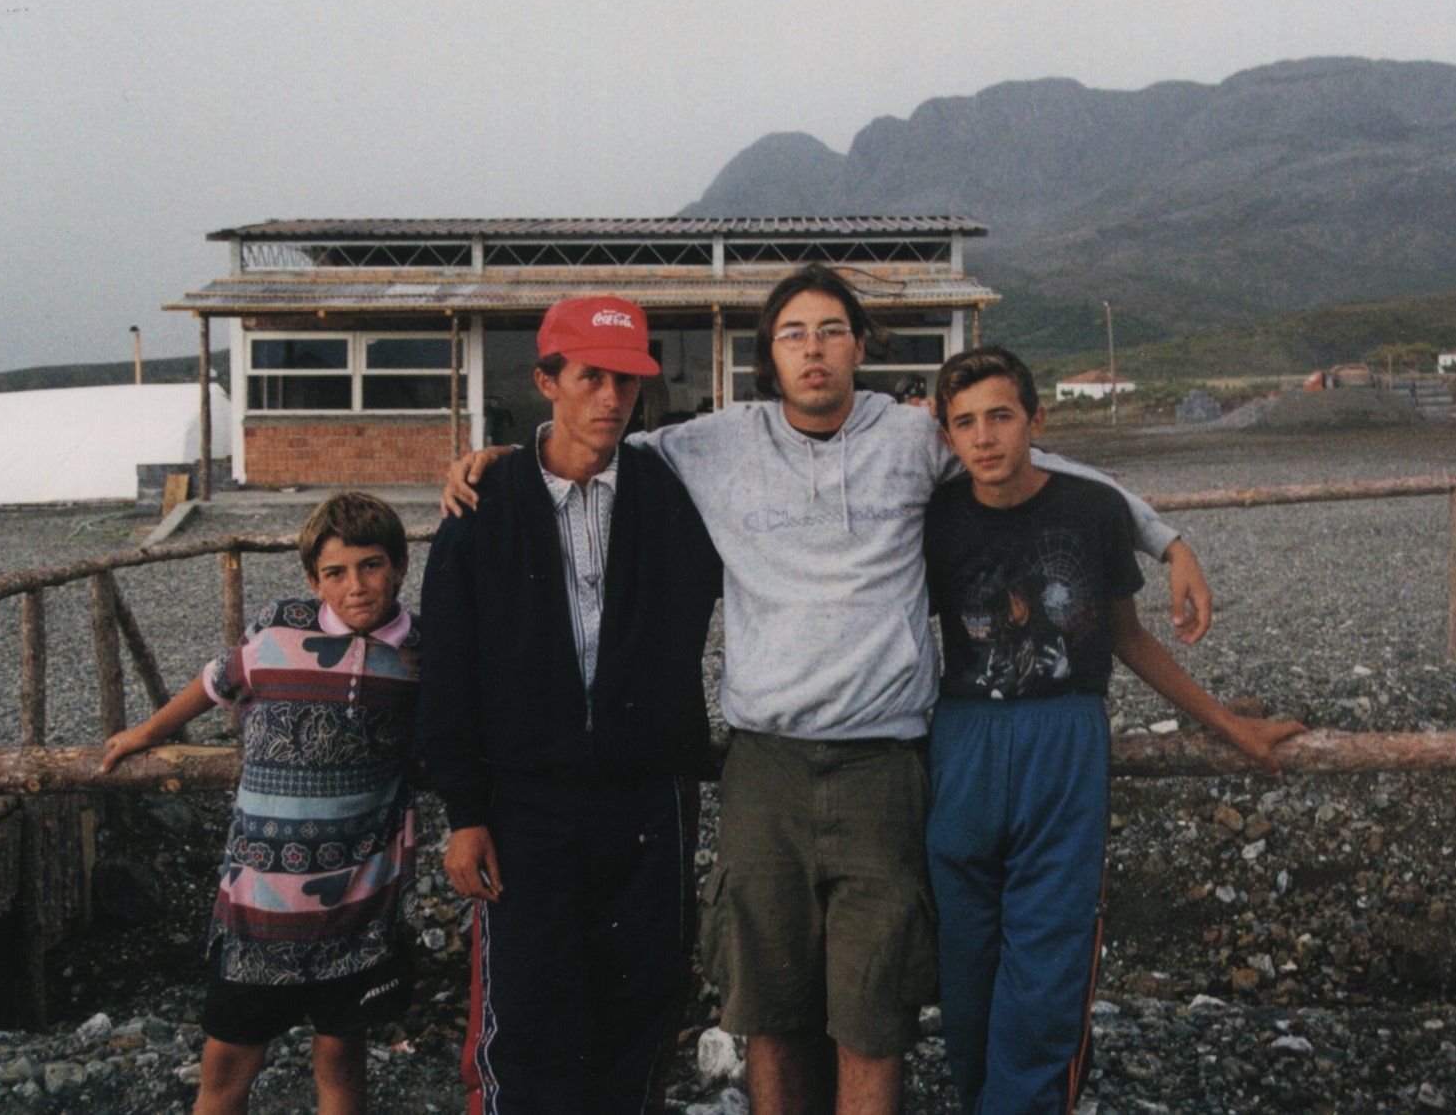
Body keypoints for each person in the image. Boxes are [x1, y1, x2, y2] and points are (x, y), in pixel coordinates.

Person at [443, 264, 1216, 1115]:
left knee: (873, 1013)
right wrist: (499, 461)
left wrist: (1165, 538)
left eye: (830, 332)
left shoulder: (913, 437)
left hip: (884, 762)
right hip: (765, 764)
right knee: (769, 1012)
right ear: (768, 354)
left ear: (859, 346)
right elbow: (587, 452)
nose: (812, 351)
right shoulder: (713, 444)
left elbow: (1032, 461)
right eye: (793, 334)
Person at [924, 345, 1304, 1114]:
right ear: (947, 434)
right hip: (963, 739)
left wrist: (1228, 723)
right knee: (964, 967)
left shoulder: (1092, 510)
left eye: (1001, 416)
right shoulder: (934, 517)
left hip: (1064, 738)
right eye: (964, 423)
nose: (984, 438)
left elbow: (1128, 637)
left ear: (1036, 420)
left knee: (1048, 966)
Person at [417, 295, 722, 1115]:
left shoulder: (674, 494)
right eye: (591, 377)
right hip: (526, 801)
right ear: (546, 381)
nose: (611, 398)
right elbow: (446, 668)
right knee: (528, 1008)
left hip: (647, 798)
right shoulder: (482, 506)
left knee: (642, 1000)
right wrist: (463, 812)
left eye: (627, 380)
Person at [100, 492, 422, 1115]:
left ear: (400, 566)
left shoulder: (421, 655)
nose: (356, 586)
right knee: (226, 1064)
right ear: (314, 581)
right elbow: (215, 680)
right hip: (257, 906)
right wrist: (148, 731)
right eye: (335, 572)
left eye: (371, 565)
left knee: (341, 1059)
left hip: (359, 906)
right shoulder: (277, 629)